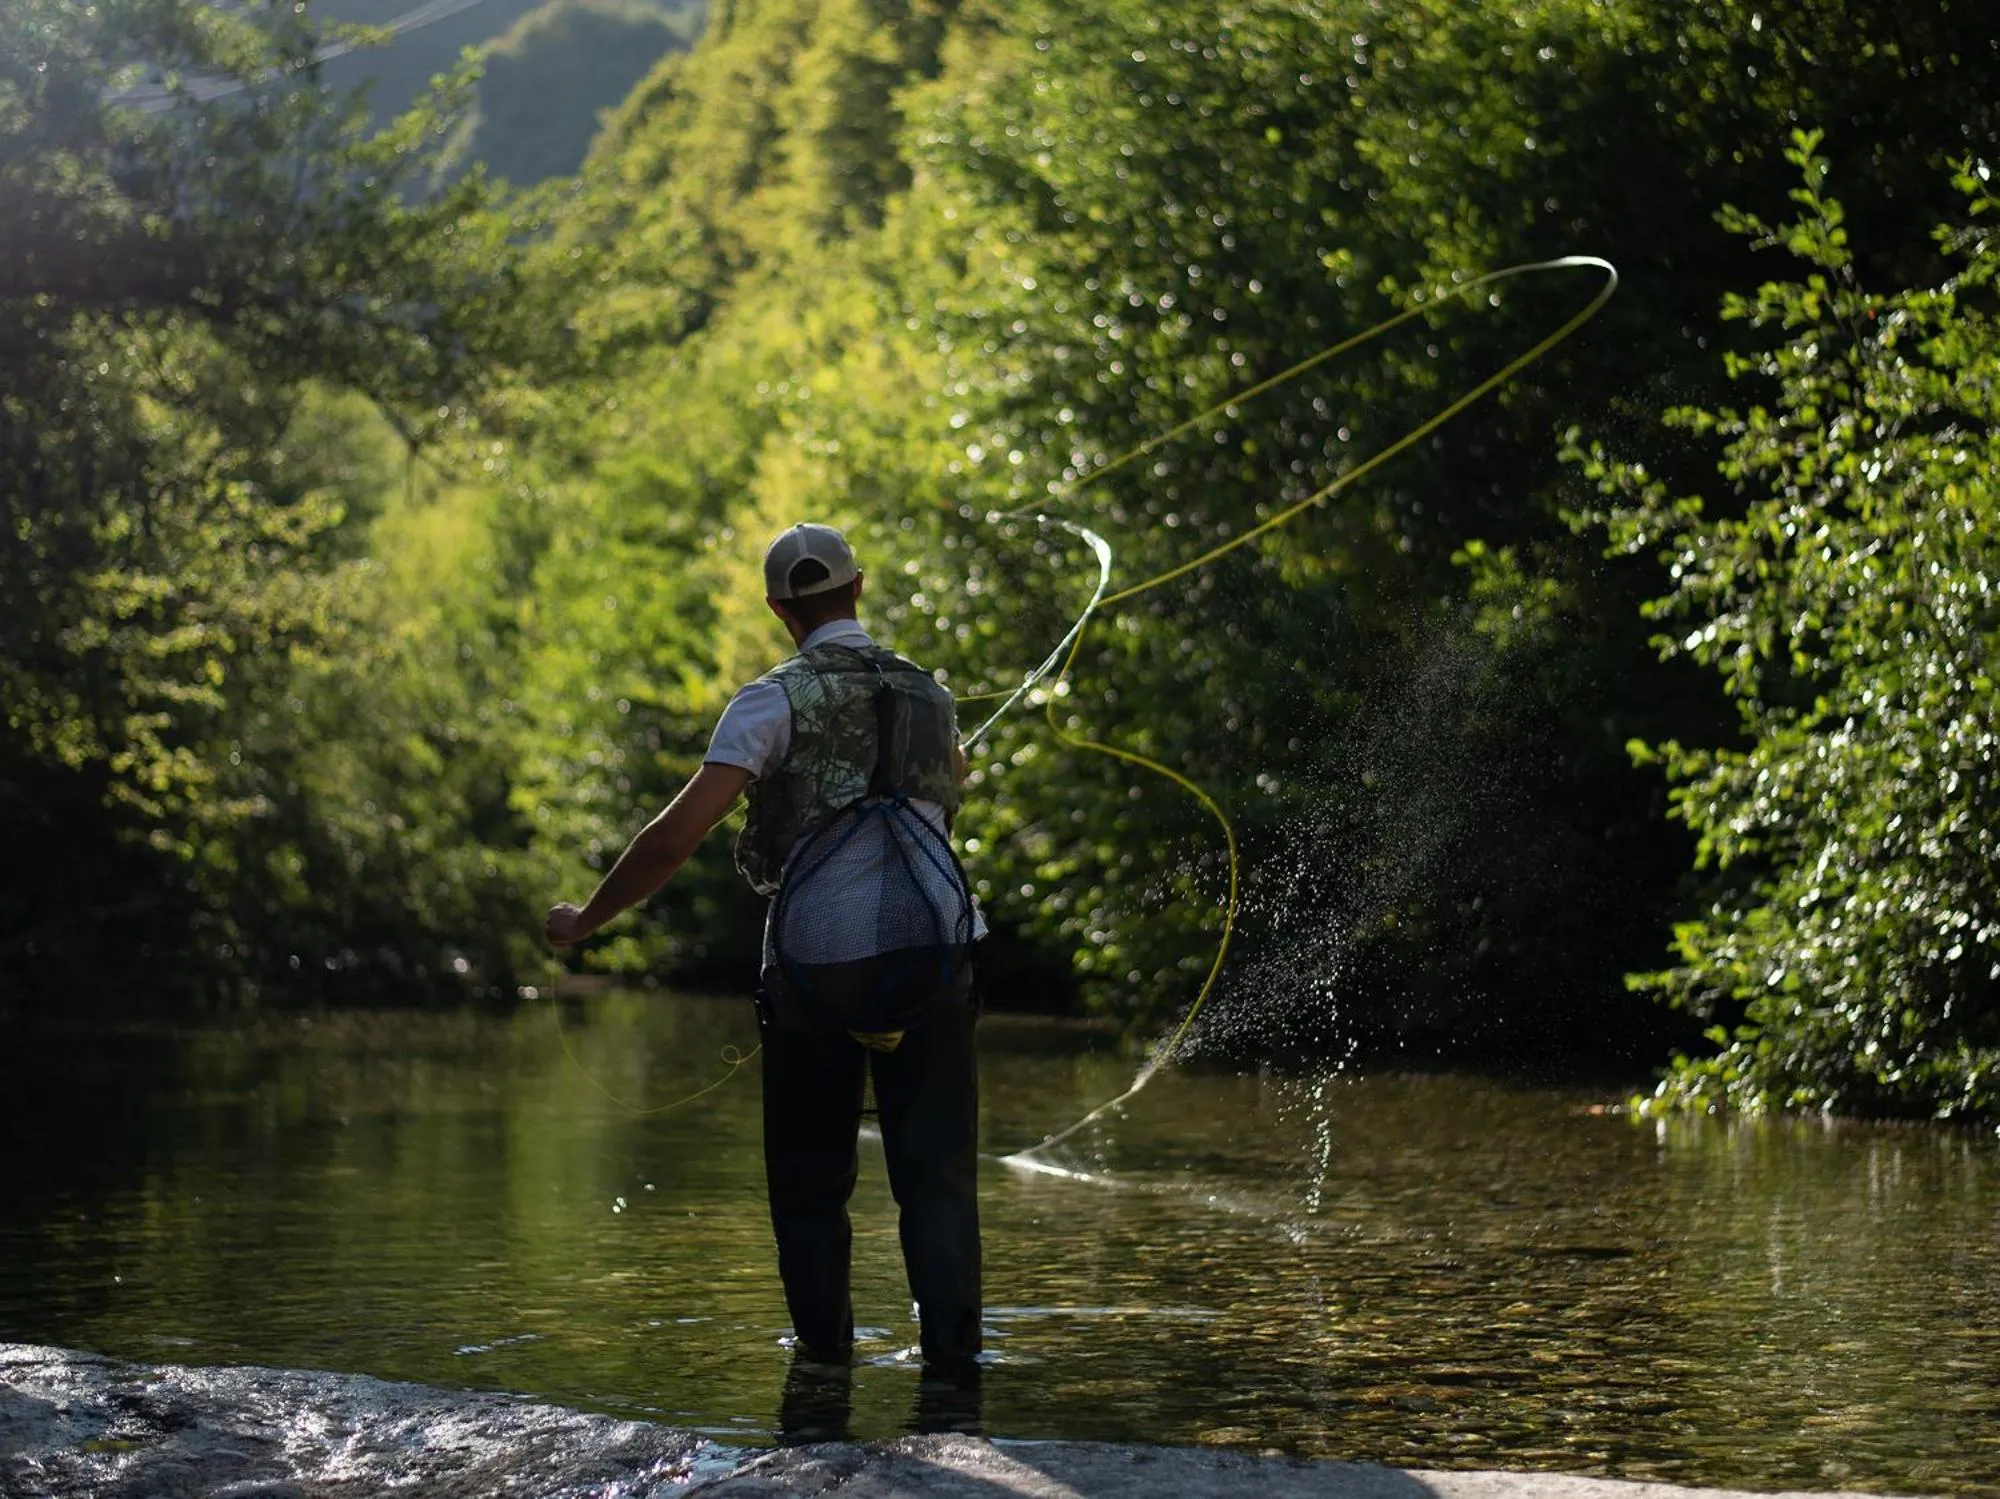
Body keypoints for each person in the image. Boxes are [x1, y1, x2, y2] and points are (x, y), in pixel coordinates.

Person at [544, 522, 985, 1385]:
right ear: (858, 589)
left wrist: (587, 919)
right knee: (936, 1179)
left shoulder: (771, 700)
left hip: (818, 967)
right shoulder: (933, 696)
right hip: (937, 956)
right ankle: (954, 1371)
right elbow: (951, 780)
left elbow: (673, 839)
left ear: (780, 607)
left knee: (811, 1183)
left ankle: (824, 1365)